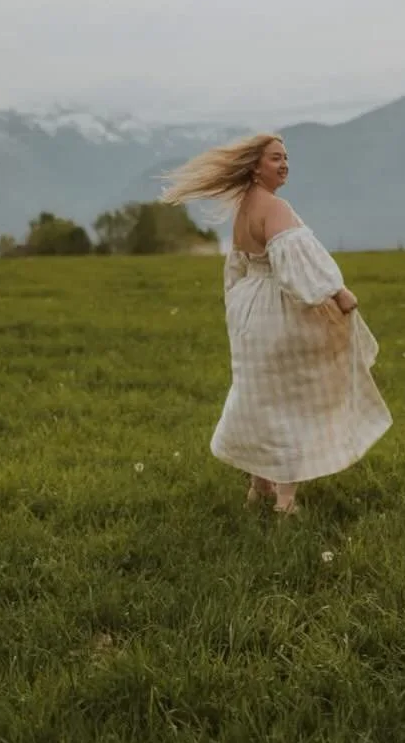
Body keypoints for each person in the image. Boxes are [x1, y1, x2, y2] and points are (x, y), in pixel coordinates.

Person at [163, 133, 391, 516]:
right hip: (278, 309)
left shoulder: (244, 207)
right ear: (255, 165)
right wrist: (337, 292)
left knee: (261, 397)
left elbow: (236, 264)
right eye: (275, 158)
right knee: (293, 401)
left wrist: (238, 305)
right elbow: (296, 266)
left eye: (286, 158)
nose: (284, 164)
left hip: (250, 309)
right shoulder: (275, 207)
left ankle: (258, 485)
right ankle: (285, 501)